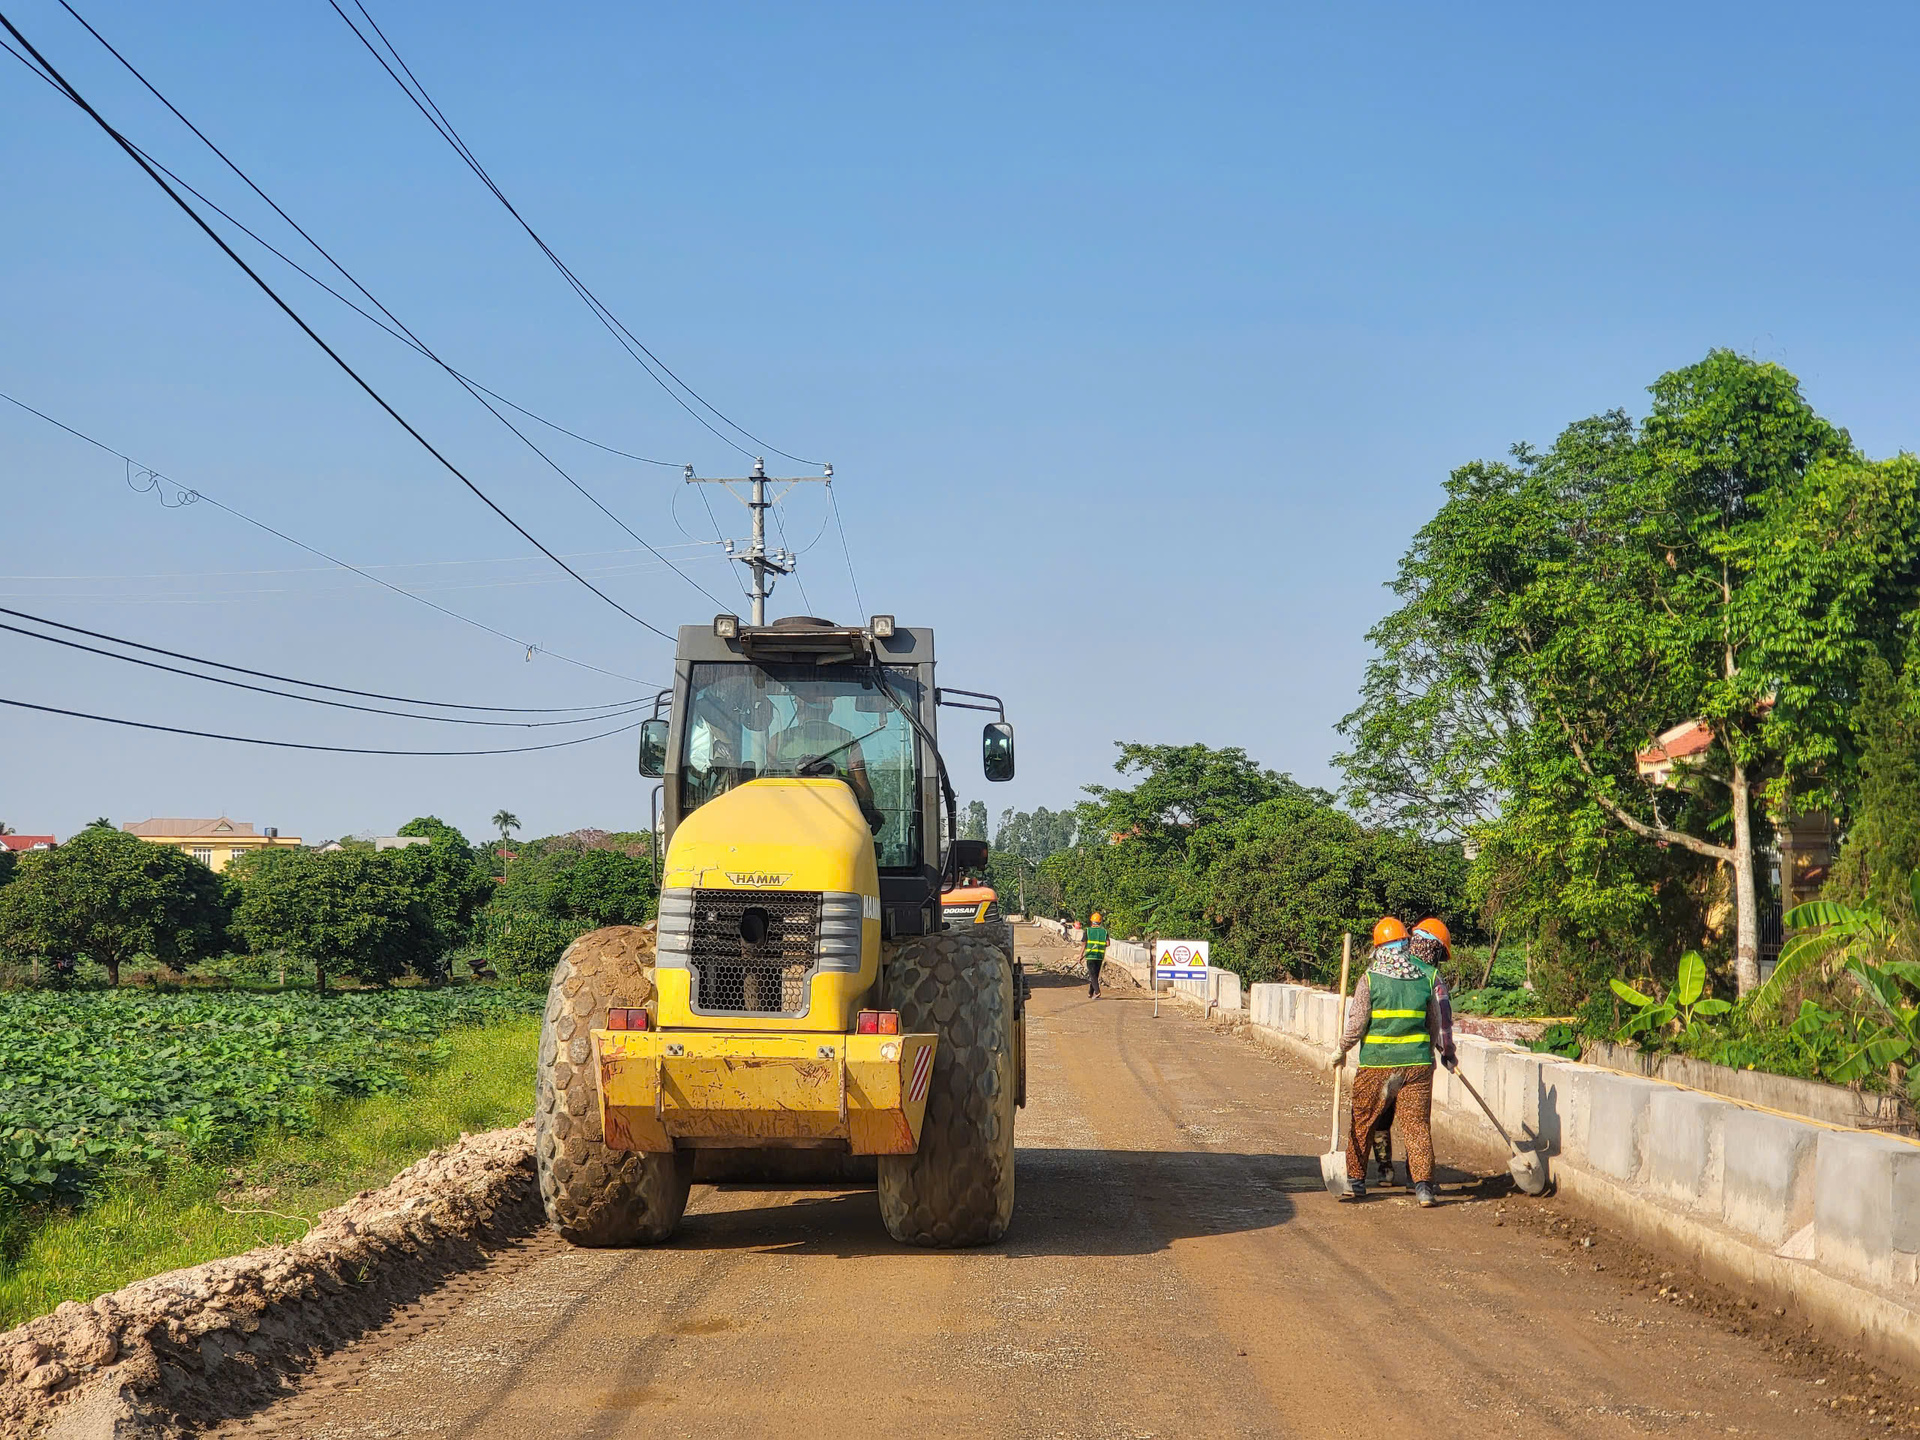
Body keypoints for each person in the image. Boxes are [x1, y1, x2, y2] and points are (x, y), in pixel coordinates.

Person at [1335, 914, 1457, 1206]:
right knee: (1416, 1126)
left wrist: (1341, 1049)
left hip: (1377, 1063)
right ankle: (1423, 1187)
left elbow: (1357, 1023)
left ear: (1378, 947)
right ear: (1406, 943)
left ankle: (1356, 1181)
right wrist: (1437, 1053)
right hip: (1416, 1065)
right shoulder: (1425, 976)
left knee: (1363, 1121)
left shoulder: (1370, 978)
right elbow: (1435, 1023)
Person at [766, 692, 885, 831]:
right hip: (839, 825)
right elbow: (863, 793)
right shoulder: (848, 740)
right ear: (830, 708)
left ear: (799, 708)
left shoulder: (779, 741)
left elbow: (767, 785)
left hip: (785, 822)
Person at [1081, 911, 1109, 999]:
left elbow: (1083, 944)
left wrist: (1080, 956)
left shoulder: (1088, 931)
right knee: (1095, 975)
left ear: (1091, 921)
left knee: (1092, 975)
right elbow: (1107, 944)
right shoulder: (1104, 932)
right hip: (1099, 956)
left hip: (1090, 956)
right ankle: (1090, 992)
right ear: (1100, 922)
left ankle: (1097, 991)